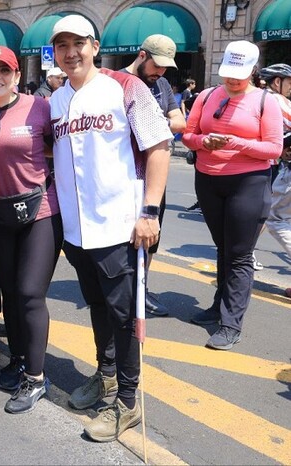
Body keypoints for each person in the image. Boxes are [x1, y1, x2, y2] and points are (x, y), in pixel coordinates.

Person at [49, 15, 172, 441]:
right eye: (61, 46)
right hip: (78, 231)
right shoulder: (56, 100)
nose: (70, 52)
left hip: (121, 225)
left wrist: (150, 212)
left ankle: (127, 401)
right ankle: (105, 377)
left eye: (78, 43)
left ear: (95, 46)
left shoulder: (125, 87)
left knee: (123, 316)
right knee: (97, 308)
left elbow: (158, 146)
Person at [0, 46, 62, 413]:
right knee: (7, 292)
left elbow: (65, 148)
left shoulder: (40, 108)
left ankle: (36, 379)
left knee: (29, 293)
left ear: (17, 76)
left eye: (4, 70)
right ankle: (19, 358)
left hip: (41, 210)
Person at [183, 41, 282, 350]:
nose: (232, 81)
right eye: (228, 74)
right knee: (223, 246)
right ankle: (218, 306)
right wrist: (203, 142)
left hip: (248, 183)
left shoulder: (267, 102)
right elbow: (187, 135)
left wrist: (237, 144)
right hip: (209, 181)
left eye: (239, 75)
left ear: (253, 71)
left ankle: (231, 323)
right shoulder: (208, 95)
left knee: (239, 254)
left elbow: (274, 149)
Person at [122, 34, 186, 317]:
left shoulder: (159, 84)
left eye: (165, 68)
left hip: (154, 176)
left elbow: (180, 121)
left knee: (150, 239)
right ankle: (122, 291)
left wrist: (152, 125)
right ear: (142, 55)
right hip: (124, 175)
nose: (160, 72)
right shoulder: (115, 81)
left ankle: (141, 290)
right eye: (157, 65)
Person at [260, 64, 291, 296]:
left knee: (275, 219)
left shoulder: (274, 101)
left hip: (280, 169)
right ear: (277, 81)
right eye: (289, 81)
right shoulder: (277, 101)